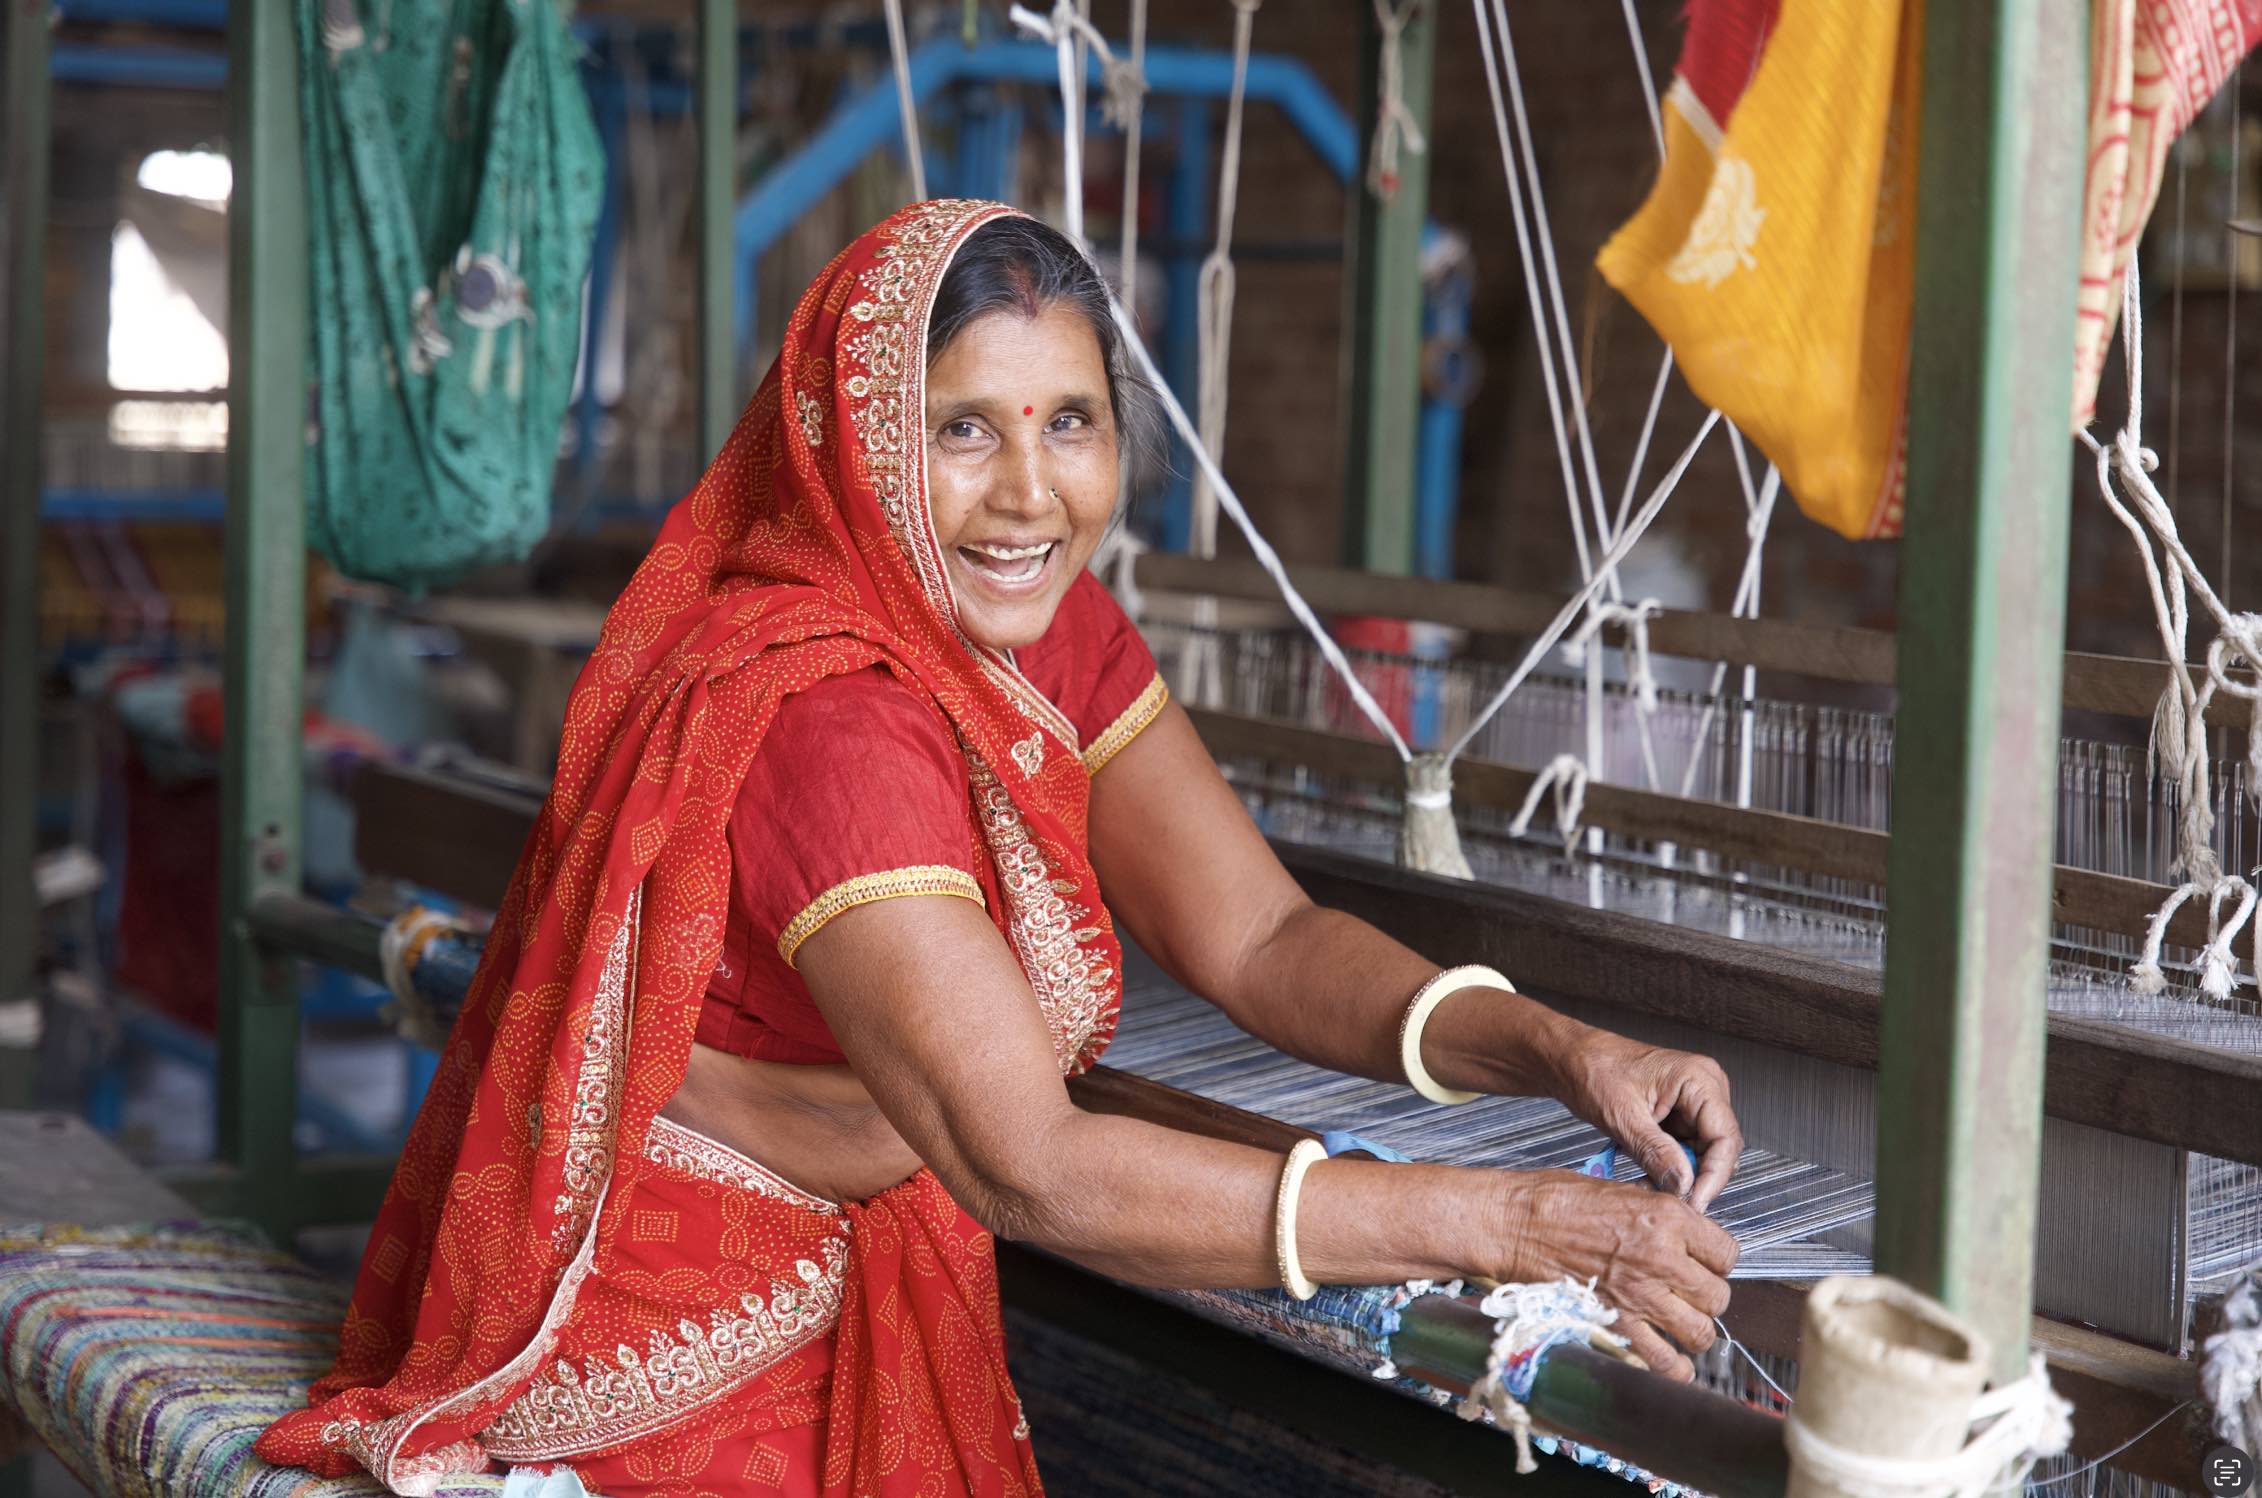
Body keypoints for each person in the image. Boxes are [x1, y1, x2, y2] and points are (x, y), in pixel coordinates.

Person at [259, 199, 1741, 1498]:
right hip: (688, 1330)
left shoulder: (1041, 627)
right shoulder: (827, 709)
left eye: (1069, 423)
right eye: (963, 427)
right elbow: (1032, 1166)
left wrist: (1561, 1049)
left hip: (876, 1226)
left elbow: (1261, 942)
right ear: (856, 443)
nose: (1031, 494)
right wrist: (1515, 1220)